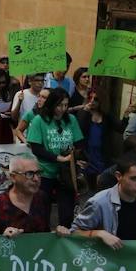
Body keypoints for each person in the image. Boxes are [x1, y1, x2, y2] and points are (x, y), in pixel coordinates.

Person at [26, 87, 86, 228]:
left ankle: (64, 234)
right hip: (45, 172)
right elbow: (36, 148)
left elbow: (79, 143)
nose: (63, 109)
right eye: (59, 105)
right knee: (42, 211)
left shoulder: (71, 120)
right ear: (52, 104)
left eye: (66, 105)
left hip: (66, 173)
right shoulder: (39, 120)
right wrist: (58, 158)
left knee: (66, 213)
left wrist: (79, 158)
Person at [0, 154, 50, 237]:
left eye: (38, 173)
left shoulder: (42, 198)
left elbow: (46, 234)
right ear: (13, 177)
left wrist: (57, 235)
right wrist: (2, 238)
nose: (36, 179)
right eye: (29, 174)